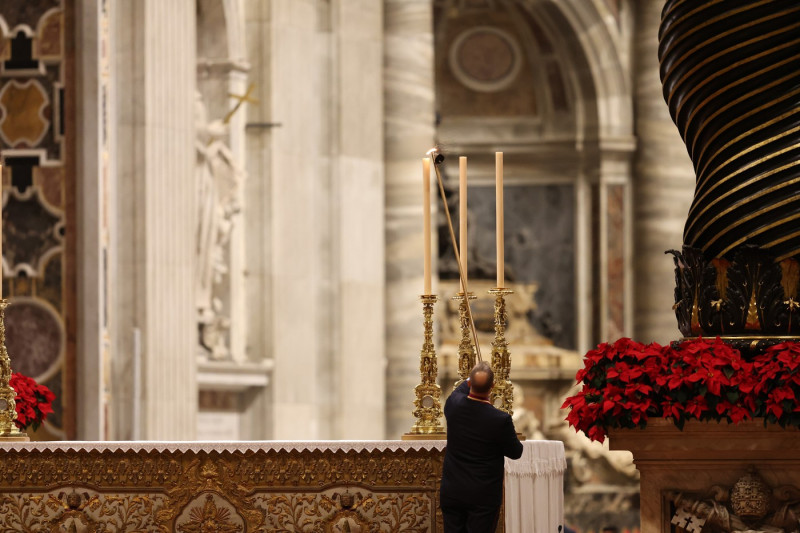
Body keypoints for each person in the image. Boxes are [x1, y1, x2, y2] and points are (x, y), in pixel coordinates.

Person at [440, 361, 524, 532]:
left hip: (453, 490)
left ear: (470, 383)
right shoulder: (500, 419)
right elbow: (516, 452)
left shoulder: (453, 405)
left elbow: (461, 389)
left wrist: (475, 374)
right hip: (482, 495)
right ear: (493, 386)